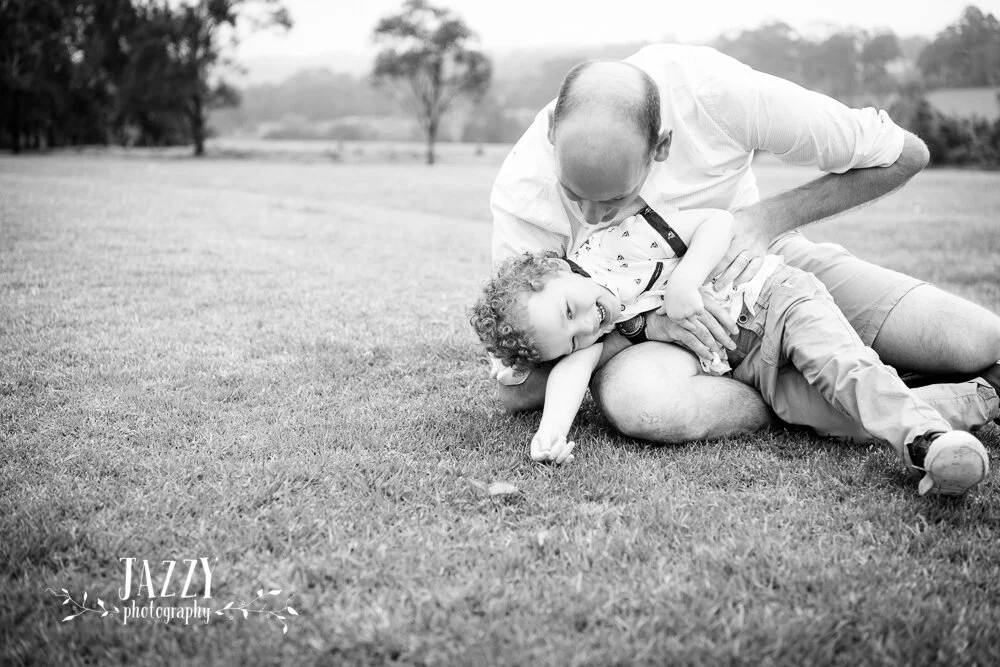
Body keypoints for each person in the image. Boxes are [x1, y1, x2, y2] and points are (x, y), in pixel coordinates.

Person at [488, 44, 1000, 443]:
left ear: (662, 146)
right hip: (659, 346)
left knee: (976, 342)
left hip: (761, 275)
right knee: (645, 405)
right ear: (551, 132)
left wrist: (762, 220)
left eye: (615, 198)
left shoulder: (717, 95)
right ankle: (804, 399)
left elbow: (905, 153)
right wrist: (642, 327)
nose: (591, 217)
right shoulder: (523, 192)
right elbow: (519, 384)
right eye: (574, 194)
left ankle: (847, 386)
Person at [471, 203, 993, 495]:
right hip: (746, 366)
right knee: (836, 419)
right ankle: (986, 397)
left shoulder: (614, 242)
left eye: (571, 311)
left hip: (773, 301)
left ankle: (924, 441)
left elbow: (717, 222)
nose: (589, 325)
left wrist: (685, 283)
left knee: (845, 371)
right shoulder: (592, 332)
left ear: (554, 269)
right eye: (573, 338)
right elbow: (570, 374)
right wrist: (550, 434)